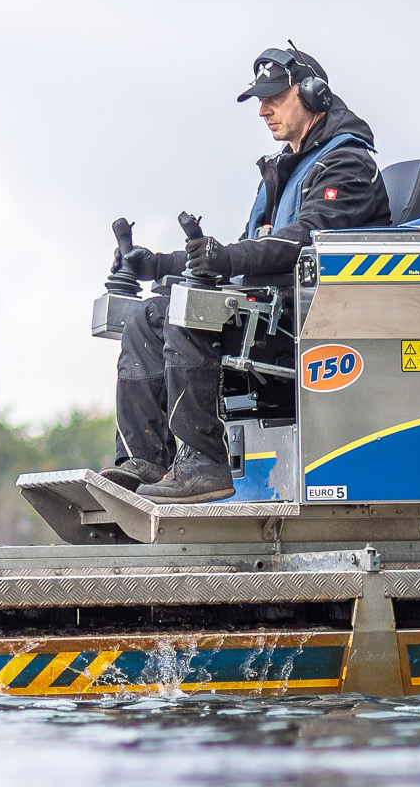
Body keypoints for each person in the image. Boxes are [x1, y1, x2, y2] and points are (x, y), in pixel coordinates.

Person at [108, 44, 388, 502]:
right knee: (149, 316)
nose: (263, 110)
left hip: (310, 323)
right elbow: (233, 258)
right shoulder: (283, 170)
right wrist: (156, 265)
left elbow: (306, 237)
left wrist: (229, 259)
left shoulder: (348, 164)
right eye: (260, 100)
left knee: (187, 314)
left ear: (315, 94)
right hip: (268, 313)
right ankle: (144, 461)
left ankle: (205, 465)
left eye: (274, 97)